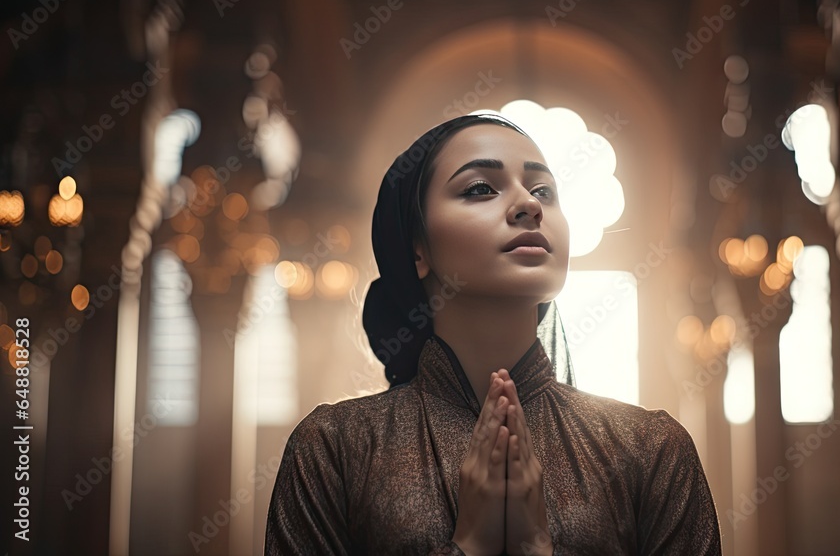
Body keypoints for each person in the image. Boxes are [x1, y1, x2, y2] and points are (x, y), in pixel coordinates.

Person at [264, 113, 722, 555]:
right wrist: (469, 547)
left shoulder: (651, 451)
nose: (530, 204)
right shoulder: (333, 450)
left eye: (543, 189)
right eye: (480, 188)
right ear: (417, 248)